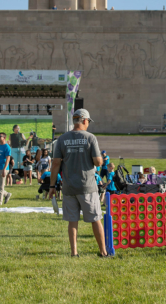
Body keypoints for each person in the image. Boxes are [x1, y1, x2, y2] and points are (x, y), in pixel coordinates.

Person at [48, 108, 108, 258]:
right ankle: (103, 252)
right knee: (95, 219)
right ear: (85, 121)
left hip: (68, 187)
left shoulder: (61, 139)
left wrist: (51, 186)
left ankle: (74, 253)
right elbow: (97, 161)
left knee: (72, 221)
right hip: (87, 186)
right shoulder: (90, 138)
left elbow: (55, 164)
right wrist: (101, 160)